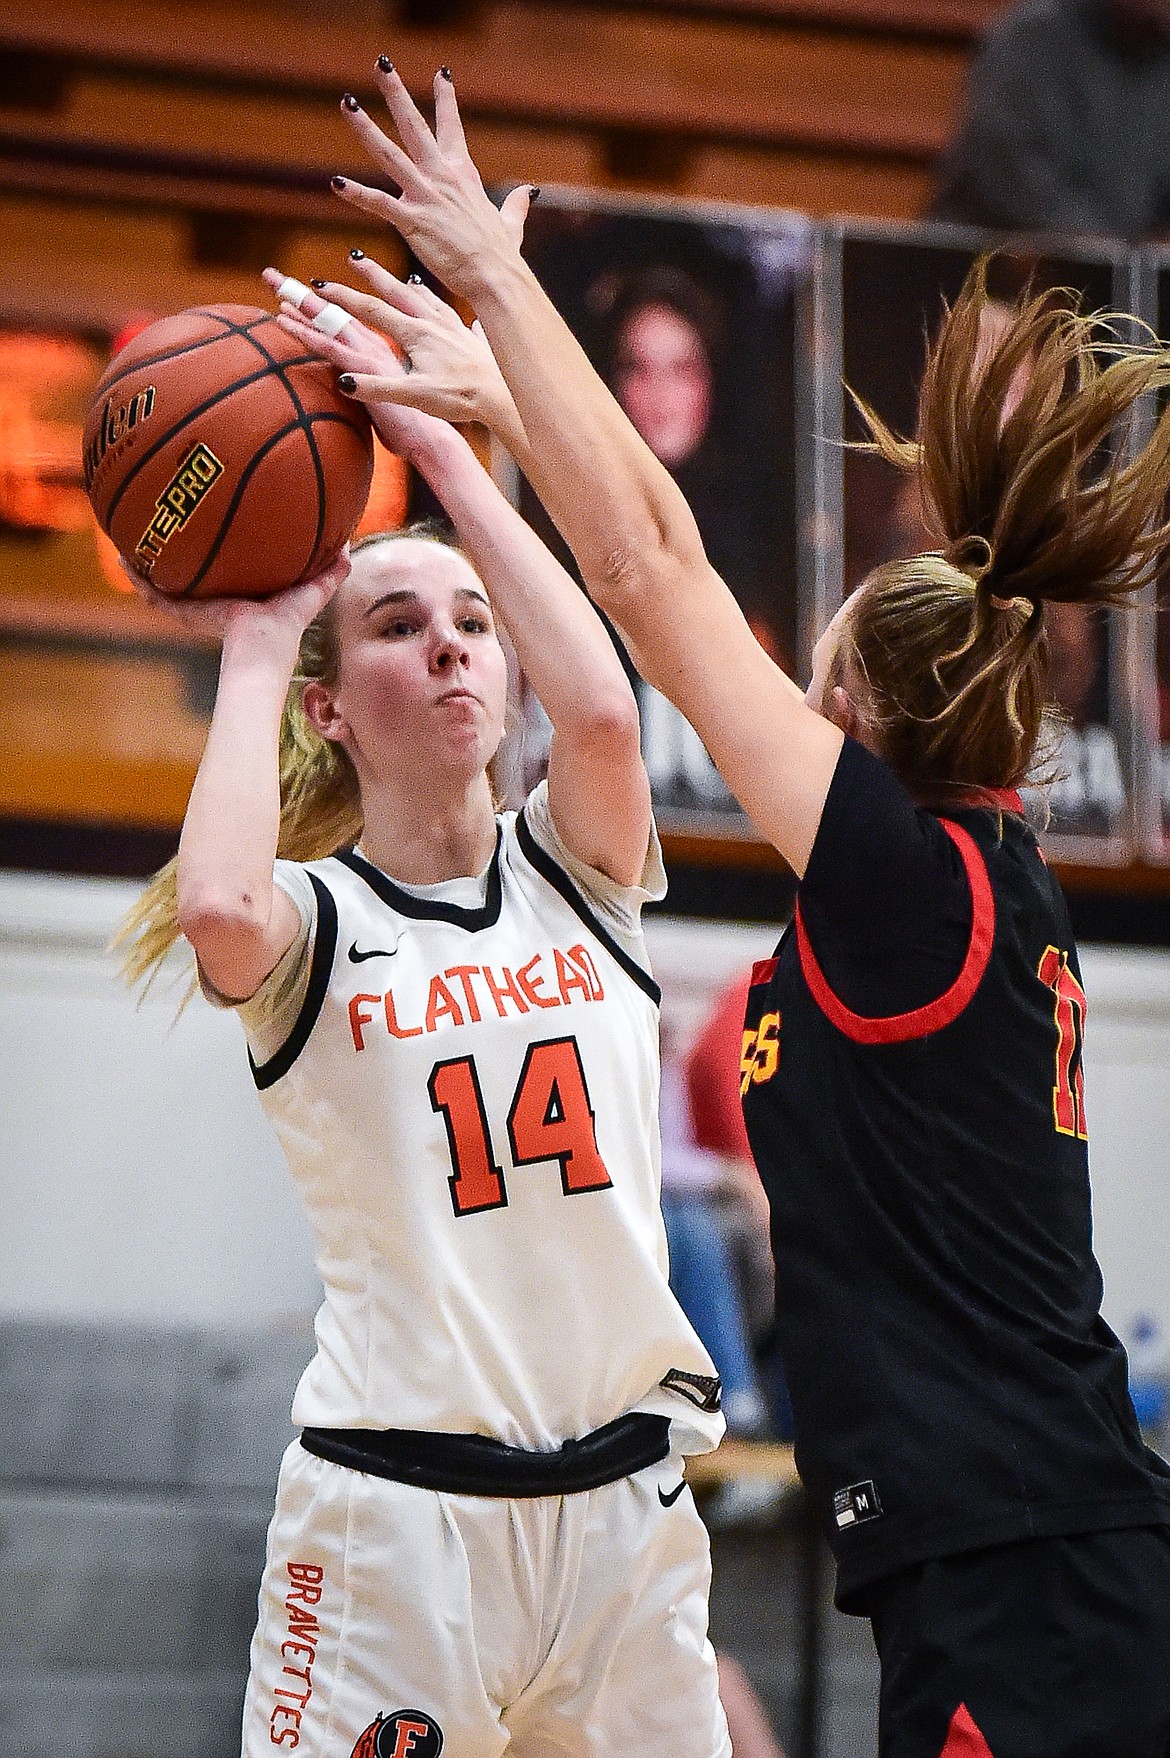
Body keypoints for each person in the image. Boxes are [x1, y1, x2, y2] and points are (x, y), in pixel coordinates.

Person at [322, 66, 1170, 1756]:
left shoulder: (917, 886)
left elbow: (658, 571)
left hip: (1035, 1584)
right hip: (1013, 1563)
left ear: (852, 707)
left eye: (811, 670)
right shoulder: (937, 902)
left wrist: (504, 297)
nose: (780, 684)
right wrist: (491, 411)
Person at [118, 270, 732, 1758]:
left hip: (621, 1521)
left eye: (471, 620)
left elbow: (595, 707)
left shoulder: (573, 874)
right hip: (397, 1526)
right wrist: (265, 632)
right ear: (334, 705)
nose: (452, 644)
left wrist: (442, 444)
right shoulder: (316, 919)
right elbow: (214, 911)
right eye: (399, 625)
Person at [931, 0, 1170, 239]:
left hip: (1116, 266)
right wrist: (1110, 251)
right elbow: (1007, 170)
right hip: (989, 259)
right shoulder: (1031, 36)